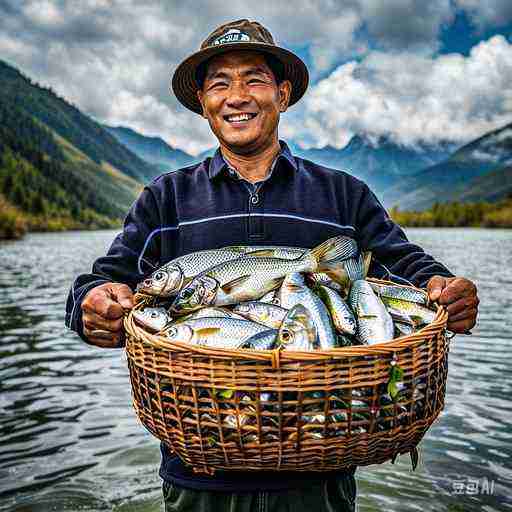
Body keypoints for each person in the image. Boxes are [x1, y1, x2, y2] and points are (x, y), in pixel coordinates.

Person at [65, 19, 479, 512]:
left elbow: (401, 263)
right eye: (219, 83)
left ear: (282, 94)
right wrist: (92, 305)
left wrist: (443, 287)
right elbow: (106, 278)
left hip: (321, 469)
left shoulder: (342, 193)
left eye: (253, 80)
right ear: (203, 103)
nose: (236, 96)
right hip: (199, 474)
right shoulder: (165, 197)